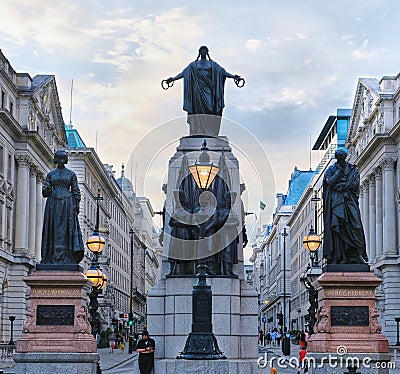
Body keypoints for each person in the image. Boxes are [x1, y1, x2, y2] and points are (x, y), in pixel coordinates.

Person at [163, 46, 243, 136]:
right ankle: (198, 131)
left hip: (209, 89)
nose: (203, 53)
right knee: (197, 110)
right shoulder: (193, 65)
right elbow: (184, 73)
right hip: (197, 90)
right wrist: (173, 79)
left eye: (205, 51)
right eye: (202, 51)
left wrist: (234, 77)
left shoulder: (212, 64)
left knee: (210, 108)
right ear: (199, 52)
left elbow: (223, 72)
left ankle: (209, 131)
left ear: (207, 52)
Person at [322, 149, 368, 265]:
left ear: (345, 157)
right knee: (338, 229)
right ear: (337, 158)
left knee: (356, 226)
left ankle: (359, 254)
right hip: (336, 201)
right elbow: (330, 182)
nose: (341, 160)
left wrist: (342, 186)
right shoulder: (331, 169)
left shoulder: (353, 169)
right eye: (339, 158)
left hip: (349, 200)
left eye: (343, 158)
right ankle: (341, 257)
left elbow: (355, 183)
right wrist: (339, 172)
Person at [41, 149, 84, 264]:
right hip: (53, 204)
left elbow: (76, 191)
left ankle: (67, 256)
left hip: (67, 204)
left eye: (63, 159)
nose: (61, 161)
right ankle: (50, 256)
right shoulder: (51, 174)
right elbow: (45, 192)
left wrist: (76, 206)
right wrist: (47, 189)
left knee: (66, 229)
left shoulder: (71, 174)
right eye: (59, 158)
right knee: (53, 228)